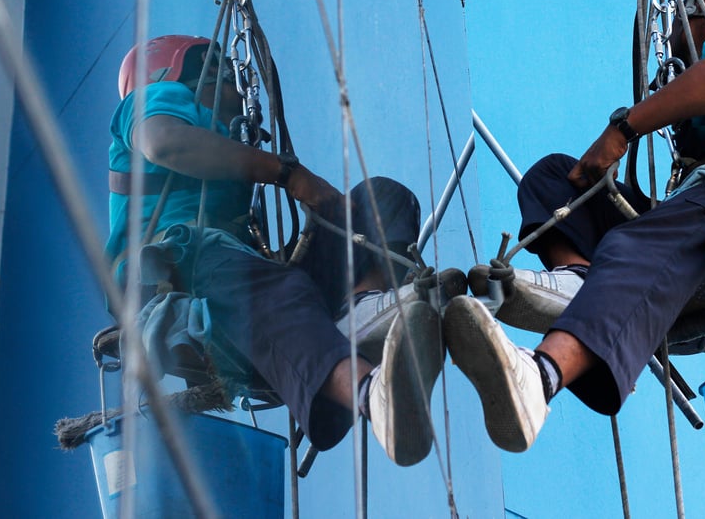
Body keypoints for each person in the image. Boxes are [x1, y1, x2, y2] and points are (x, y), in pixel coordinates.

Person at [442, 0, 705, 452]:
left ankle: (539, 377)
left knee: (639, 244)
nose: (671, 25)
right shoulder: (701, 110)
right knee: (555, 178)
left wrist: (626, 127)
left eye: (684, 9)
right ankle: (582, 281)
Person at [105, 34, 458, 466]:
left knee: (377, 202)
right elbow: (164, 143)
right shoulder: (154, 99)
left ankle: (361, 309)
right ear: (174, 73)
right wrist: (287, 174)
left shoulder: (226, 145)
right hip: (179, 269)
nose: (232, 76)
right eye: (213, 68)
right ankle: (373, 393)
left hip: (243, 279)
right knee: (271, 289)